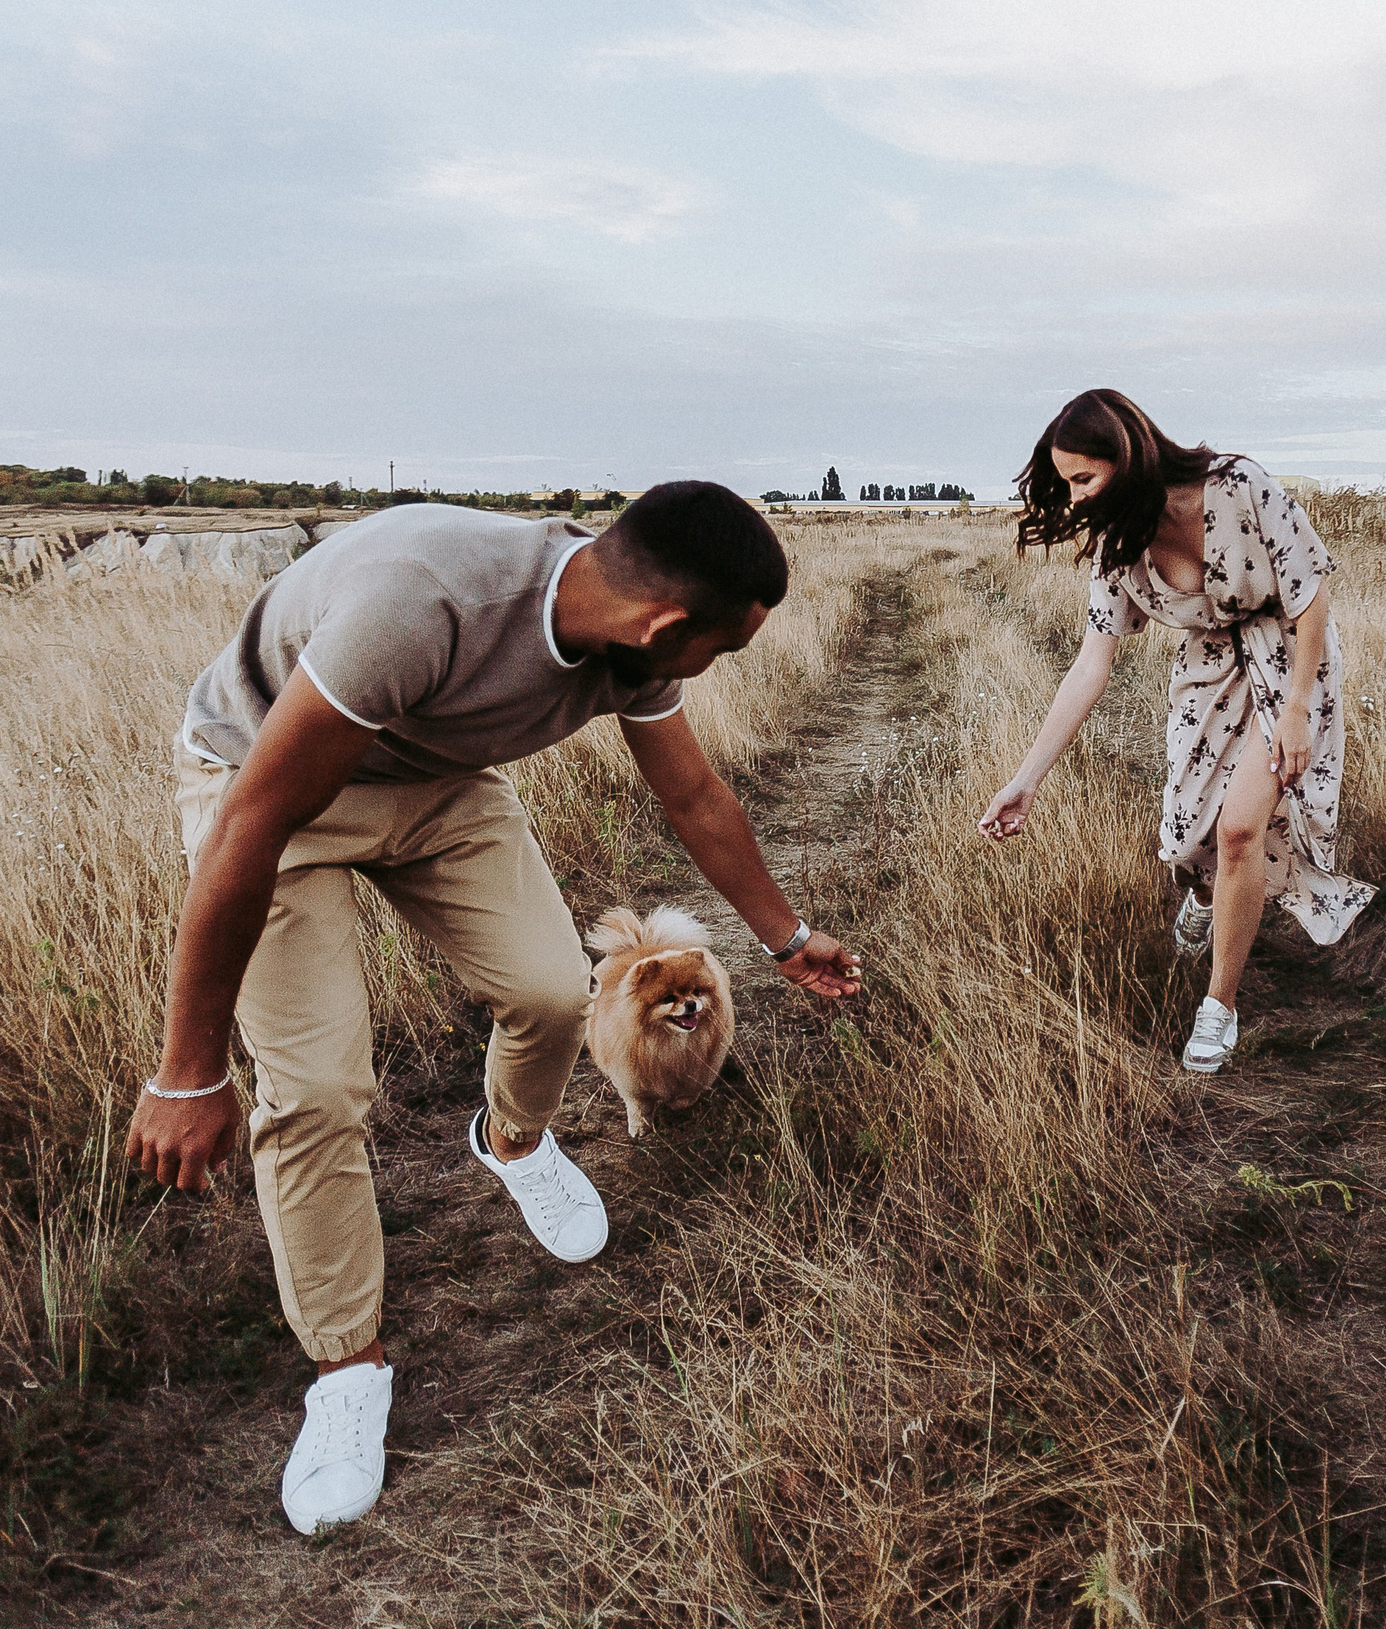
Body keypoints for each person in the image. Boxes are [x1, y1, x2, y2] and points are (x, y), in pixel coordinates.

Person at [126, 482, 861, 1536]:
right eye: (721, 649)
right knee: (319, 1089)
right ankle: (347, 1370)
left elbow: (693, 796)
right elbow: (249, 824)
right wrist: (187, 1070)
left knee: (557, 994)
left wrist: (786, 939)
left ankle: (511, 1142)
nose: (716, 668)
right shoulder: (418, 606)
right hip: (265, 788)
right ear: (664, 625)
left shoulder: (629, 646)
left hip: (435, 783)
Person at [978, 389, 1375, 1071]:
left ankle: (1219, 1007)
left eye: (1084, 478)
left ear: (1126, 455)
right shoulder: (1118, 546)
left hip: (1288, 665)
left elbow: (1312, 596)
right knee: (1190, 837)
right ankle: (1204, 894)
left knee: (1240, 829)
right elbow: (1091, 664)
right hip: (1207, 678)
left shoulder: (1240, 486)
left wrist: (1297, 708)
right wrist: (1026, 780)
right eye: (1066, 483)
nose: (1075, 498)